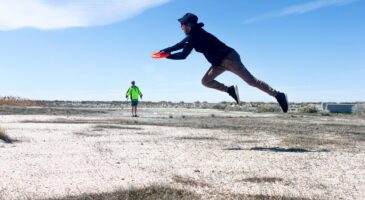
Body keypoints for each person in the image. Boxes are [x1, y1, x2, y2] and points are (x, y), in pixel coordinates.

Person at [159, 13, 288, 112]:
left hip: (229, 58)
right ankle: (230, 90)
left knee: (251, 81)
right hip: (218, 64)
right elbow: (181, 50)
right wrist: (166, 53)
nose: (180, 27)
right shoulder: (192, 37)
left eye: (182, 24)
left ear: (189, 25)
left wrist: (166, 54)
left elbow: (181, 50)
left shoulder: (196, 35)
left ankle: (278, 95)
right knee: (206, 81)